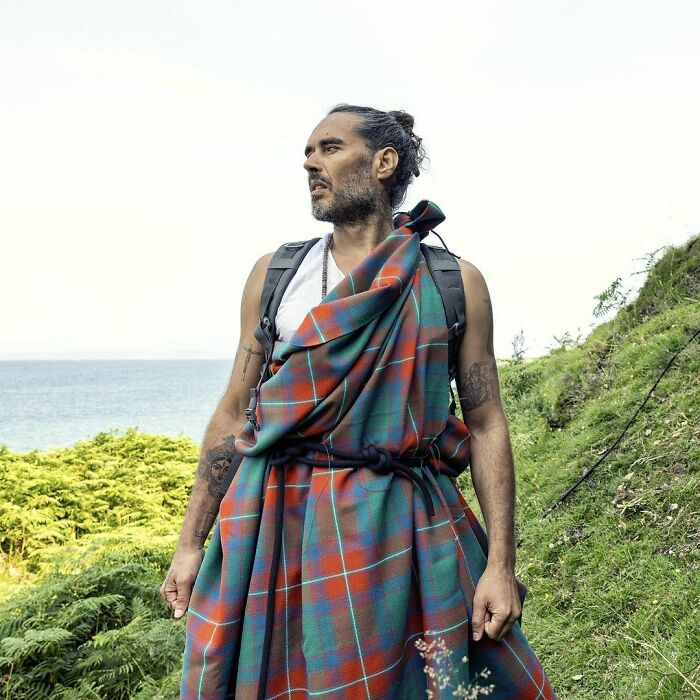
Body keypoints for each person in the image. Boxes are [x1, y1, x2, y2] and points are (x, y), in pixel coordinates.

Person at [162, 104, 558, 699]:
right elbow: (235, 410)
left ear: (383, 162)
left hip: (402, 521)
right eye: (307, 152)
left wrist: (500, 564)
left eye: (328, 148)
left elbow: (485, 422)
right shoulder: (276, 275)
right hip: (278, 517)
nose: (309, 163)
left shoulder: (453, 282)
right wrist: (192, 540)